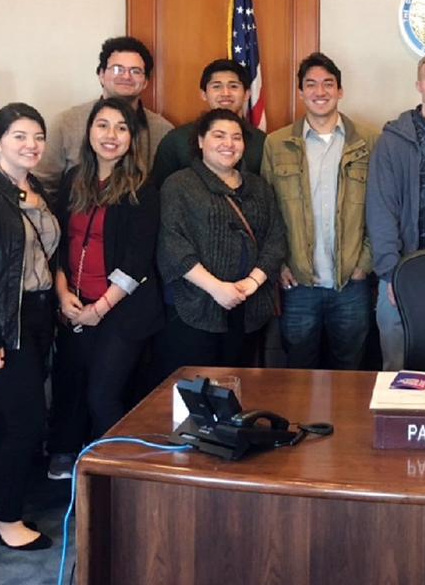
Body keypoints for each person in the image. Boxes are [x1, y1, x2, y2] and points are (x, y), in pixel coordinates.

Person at [46, 98, 164, 480]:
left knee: (103, 395)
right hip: (74, 302)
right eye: (102, 125)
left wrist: (100, 308)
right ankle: (69, 459)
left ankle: (111, 476)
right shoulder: (73, 179)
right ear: (89, 132)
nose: (110, 135)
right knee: (70, 386)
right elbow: (60, 244)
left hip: (123, 309)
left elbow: (138, 258)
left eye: (121, 127)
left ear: (132, 137)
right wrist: (64, 296)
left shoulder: (142, 187)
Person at [0, 104, 59, 550]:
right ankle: (9, 521)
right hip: (4, 324)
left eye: (38, 136)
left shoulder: (35, 188)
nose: (31, 145)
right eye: (20, 136)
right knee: (27, 423)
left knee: (5, 421)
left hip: (39, 316)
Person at [262, 53, 377, 369]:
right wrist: (280, 264)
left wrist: (365, 263)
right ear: (300, 92)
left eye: (328, 84)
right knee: (299, 371)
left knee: (351, 369)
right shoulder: (276, 143)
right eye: (311, 84)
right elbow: (267, 212)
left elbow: (381, 208)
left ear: (340, 91)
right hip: (298, 282)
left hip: (351, 282)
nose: (320, 91)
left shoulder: (369, 141)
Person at [155, 109, 285, 377]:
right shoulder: (178, 185)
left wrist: (252, 283)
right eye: (219, 135)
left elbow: (275, 240)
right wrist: (216, 288)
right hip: (194, 306)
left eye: (236, 137)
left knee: (240, 391)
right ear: (201, 141)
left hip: (248, 306)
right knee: (194, 394)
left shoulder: (259, 187)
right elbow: (172, 246)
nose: (229, 143)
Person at [366, 51, 425, 370]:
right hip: (405, 270)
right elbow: (381, 211)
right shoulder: (393, 141)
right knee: (399, 369)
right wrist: (392, 273)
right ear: (418, 85)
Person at [35, 36, 173, 202]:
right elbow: (42, 185)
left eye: (135, 71)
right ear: (101, 75)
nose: (126, 76)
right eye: (117, 69)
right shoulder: (67, 123)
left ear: (145, 82)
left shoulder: (163, 131)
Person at [151, 59, 266, 186]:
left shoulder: (263, 142)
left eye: (233, 86)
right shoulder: (176, 140)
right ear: (204, 94)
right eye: (217, 86)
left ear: (247, 94)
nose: (225, 93)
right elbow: (159, 190)